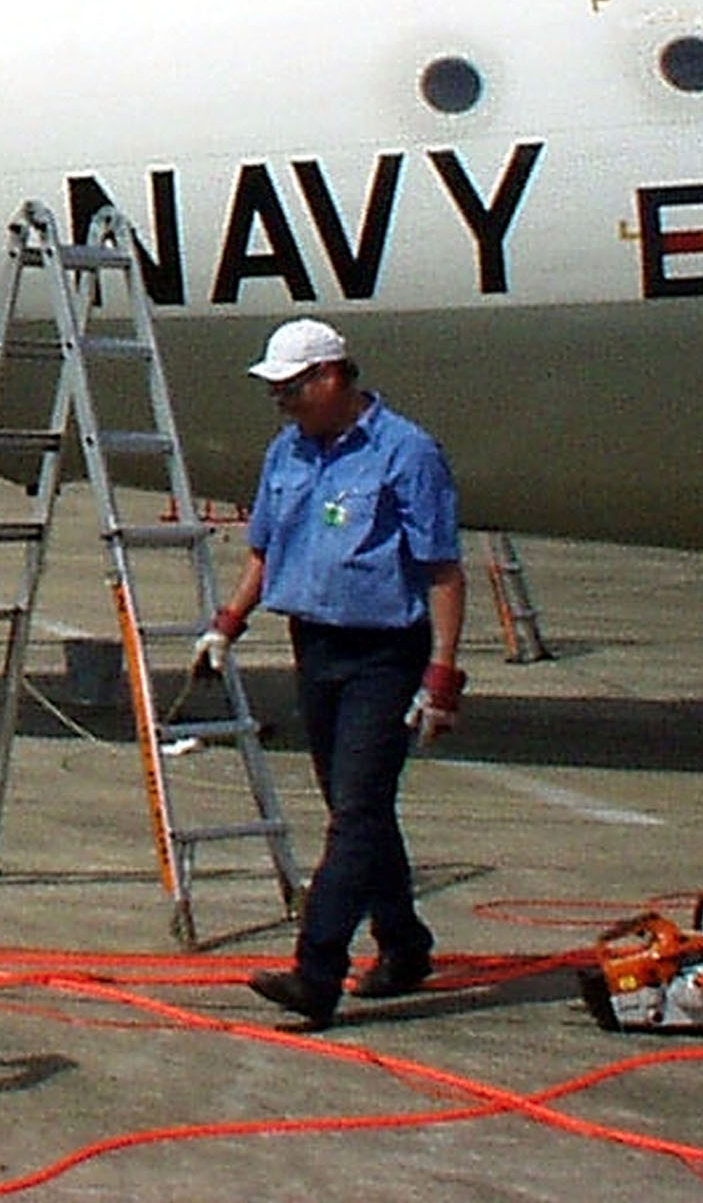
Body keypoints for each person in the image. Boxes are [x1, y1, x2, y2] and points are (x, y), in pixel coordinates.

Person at [193, 317, 465, 1030]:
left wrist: (441, 674)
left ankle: (317, 971)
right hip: (314, 645)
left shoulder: (406, 454)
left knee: (355, 816)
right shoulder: (287, 452)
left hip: (384, 650)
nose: (280, 403)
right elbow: (266, 550)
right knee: (358, 807)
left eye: (290, 389)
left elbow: (441, 569)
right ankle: (404, 945)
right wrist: (228, 622)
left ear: (331, 378)